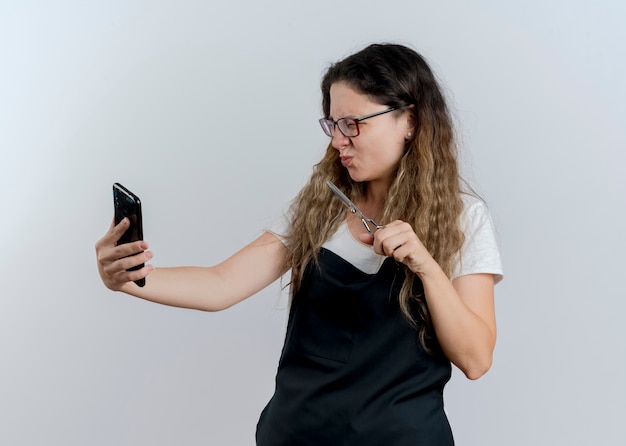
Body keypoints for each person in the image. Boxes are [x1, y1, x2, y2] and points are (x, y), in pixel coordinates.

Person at [96, 43, 503, 445]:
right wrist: (129, 279)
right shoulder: (318, 209)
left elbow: (475, 358)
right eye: (332, 125)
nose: (339, 141)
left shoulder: (462, 218)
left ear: (409, 120)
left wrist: (427, 267)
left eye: (353, 123)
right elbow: (220, 285)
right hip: (297, 434)